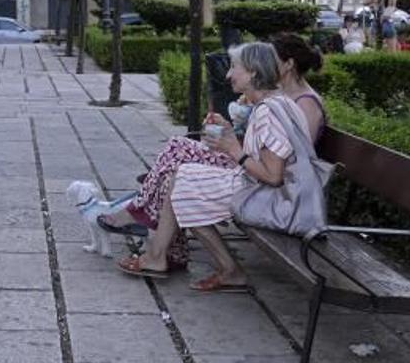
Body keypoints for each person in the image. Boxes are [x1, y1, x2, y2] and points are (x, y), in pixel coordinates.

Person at [98, 33, 327, 268]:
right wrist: (230, 133)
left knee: (183, 183)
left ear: (253, 73)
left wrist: (234, 150)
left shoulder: (270, 110)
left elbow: (274, 176)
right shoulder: (275, 103)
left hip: (274, 199)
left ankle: (168, 254)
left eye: (234, 67)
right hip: (262, 188)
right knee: (180, 177)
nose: (228, 75)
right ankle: (169, 255)